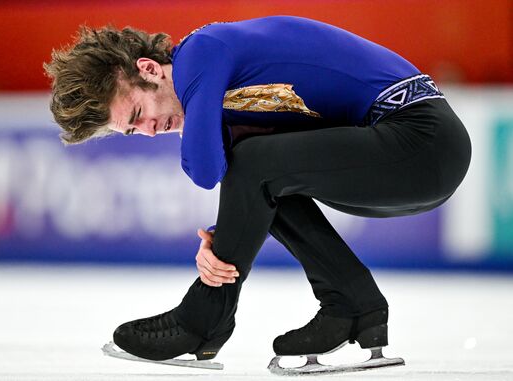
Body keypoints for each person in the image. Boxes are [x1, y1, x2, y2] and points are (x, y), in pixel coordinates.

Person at [44, 16, 471, 373]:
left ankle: (203, 318)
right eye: (133, 130)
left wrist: (227, 231)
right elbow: (250, 193)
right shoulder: (227, 104)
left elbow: (207, 169)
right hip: (405, 163)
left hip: (423, 138)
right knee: (263, 173)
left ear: (151, 69)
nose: (149, 130)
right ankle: (353, 306)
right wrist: (220, 241)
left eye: (139, 114)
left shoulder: (201, 51)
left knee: (252, 163)